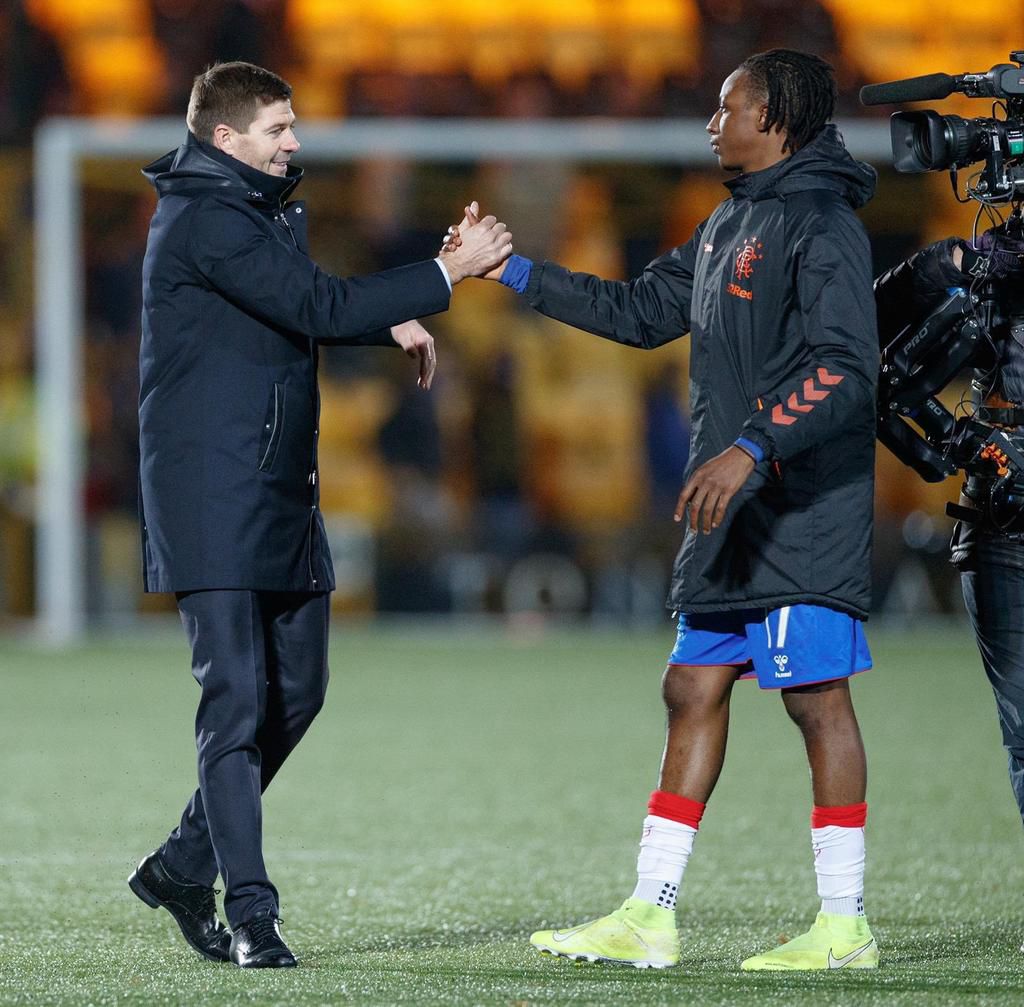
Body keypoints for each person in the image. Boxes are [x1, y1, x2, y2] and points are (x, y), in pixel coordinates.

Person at [448, 49, 879, 970]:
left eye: (729, 108)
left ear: (776, 119)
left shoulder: (824, 223)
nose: (712, 123)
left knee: (815, 698)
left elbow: (847, 368)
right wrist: (513, 271)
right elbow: (640, 311)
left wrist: (752, 446)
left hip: (800, 506)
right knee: (690, 687)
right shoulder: (726, 223)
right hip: (728, 509)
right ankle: (651, 912)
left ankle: (844, 926)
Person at [128, 61, 511, 969]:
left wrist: (385, 320)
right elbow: (308, 301)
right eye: (277, 128)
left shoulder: (251, 208)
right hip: (210, 493)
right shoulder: (203, 216)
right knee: (236, 702)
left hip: (275, 486)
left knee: (298, 692)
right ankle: (251, 915)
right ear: (227, 139)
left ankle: (181, 864)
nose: (294, 141)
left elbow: (293, 302)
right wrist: (444, 273)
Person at [875, 221, 1024, 949]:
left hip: (1000, 504)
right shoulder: (989, 263)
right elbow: (875, 345)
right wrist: (950, 265)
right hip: (1001, 503)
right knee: (1023, 725)